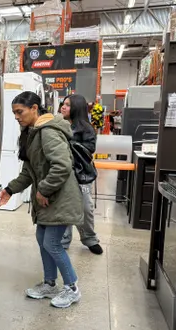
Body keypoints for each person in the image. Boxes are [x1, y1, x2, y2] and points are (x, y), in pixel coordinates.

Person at [0, 91, 83, 308]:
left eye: (20, 111)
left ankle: (72, 288)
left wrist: (44, 190)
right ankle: (49, 284)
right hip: (48, 199)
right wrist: (9, 189)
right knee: (42, 240)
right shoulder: (32, 133)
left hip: (60, 198)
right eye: (14, 113)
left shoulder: (47, 132)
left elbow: (62, 166)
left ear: (35, 108)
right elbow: (29, 172)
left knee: (52, 243)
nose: (17, 116)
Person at [59, 94, 103, 255]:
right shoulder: (59, 124)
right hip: (63, 172)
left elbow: (89, 149)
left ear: (77, 108)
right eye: (63, 104)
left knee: (85, 207)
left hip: (81, 173)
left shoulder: (86, 128)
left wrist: (68, 144)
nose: (63, 107)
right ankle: (63, 240)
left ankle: (89, 239)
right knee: (64, 207)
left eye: (68, 105)